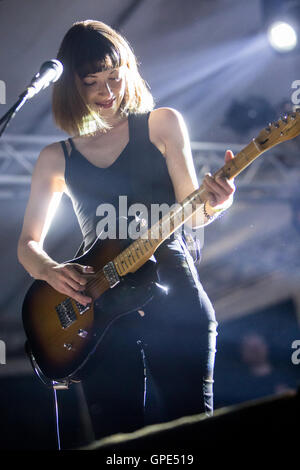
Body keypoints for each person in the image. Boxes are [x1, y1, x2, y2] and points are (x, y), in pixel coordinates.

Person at [17, 20, 235, 447]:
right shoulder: (53, 158)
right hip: (101, 314)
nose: (106, 90)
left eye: (114, 76)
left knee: (192, 430)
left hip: (174, 294)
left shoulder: (162, 124)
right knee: (117, 444)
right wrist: (50, 271)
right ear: (72, 87)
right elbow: (28, 246)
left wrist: (218, 201)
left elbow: (194, 213)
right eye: (91, 81)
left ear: (128, 70)